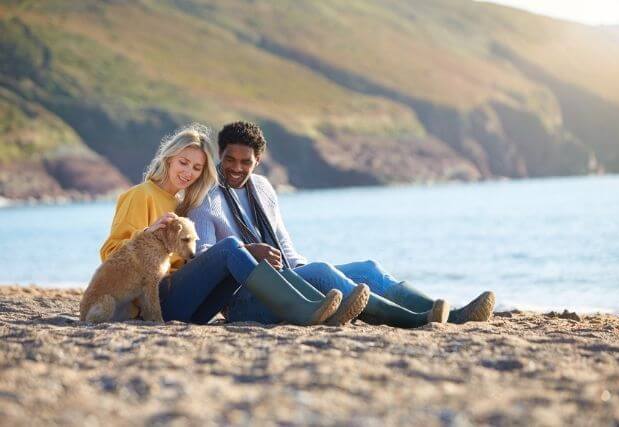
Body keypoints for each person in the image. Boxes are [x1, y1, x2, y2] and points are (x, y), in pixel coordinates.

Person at [189, 121, 493, 328]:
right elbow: (202, 256)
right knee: (322, 272)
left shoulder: (264, 189)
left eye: (246, 162)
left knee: (367, 269)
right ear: (220, 153)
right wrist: (249, 252)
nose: (236, 168)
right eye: (230, 159)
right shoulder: (206, 195)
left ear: (258, 161)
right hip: (243, 301)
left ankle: (451, 313)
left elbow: (287, 251)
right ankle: (418, 318)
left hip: (287, 282)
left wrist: (308, 277)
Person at [99, 123, 348, 326]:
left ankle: (308, 304)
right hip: (154, 302)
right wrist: (148, 233)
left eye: (197, 168)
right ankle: (298, 306)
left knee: (230, 257)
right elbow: (110, 255)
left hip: (193, 310)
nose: (188, 172)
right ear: (169, 158)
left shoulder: (182, 203)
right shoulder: (141, 194)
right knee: (230, 246)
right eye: (183, 162)